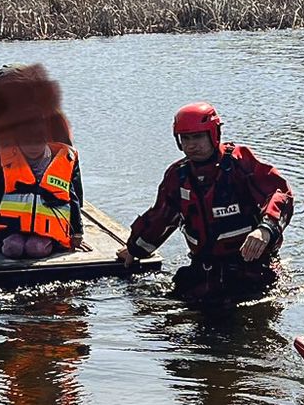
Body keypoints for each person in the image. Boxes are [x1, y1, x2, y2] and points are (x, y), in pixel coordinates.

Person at [117, 102, 292, 302]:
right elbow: (160, 218)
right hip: (204, 269)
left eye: (198, 137)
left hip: (251, 271)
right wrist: (134, 249)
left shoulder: (240, 163)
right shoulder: (178, 176)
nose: (191, 145)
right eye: (186, 138)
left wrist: (265, 229)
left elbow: (280, 195)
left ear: (213, 134)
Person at [0, 64, 83, 260]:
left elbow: (71, 174)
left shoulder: (53, 118)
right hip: (11, 206)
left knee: (36, 248)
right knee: (12, 247)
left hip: (48, 214)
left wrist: (75, 229)